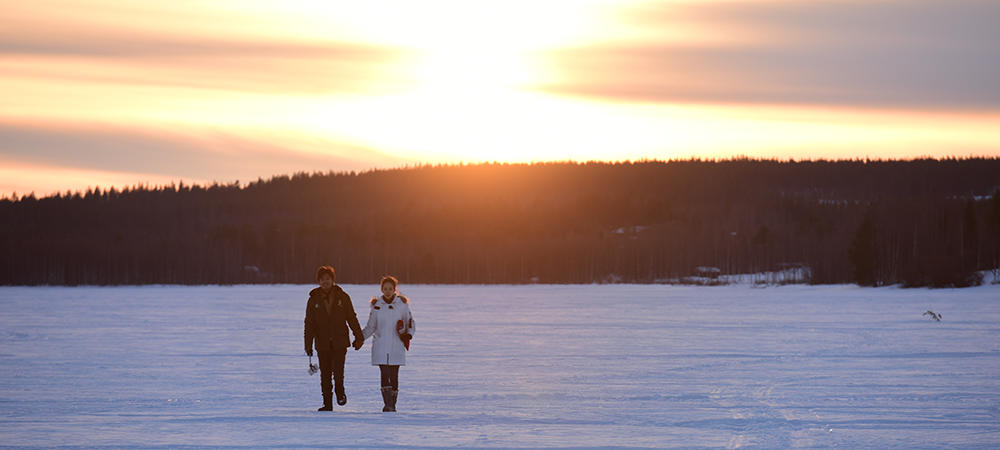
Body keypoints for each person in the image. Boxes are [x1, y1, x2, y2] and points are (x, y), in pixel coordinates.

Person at [304, 266, 364, 411]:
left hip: (340, 341)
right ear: (318, 281)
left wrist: (359, 337)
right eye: (322, 279)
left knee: (338, 372)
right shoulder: (313, 299)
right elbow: (309, 324)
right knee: (325, 375)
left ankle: (340, 392)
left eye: (328, 279)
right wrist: (308, 345)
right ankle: (327, 403)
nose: (325, 282)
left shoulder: (343, 297)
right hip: (322, 342)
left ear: (333, 280)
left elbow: (351, 317)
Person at [362, 276, 416, 412]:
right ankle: (388, 404)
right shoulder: (377, 307)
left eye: (390, 289)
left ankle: (393, 404)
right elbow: (371, 327)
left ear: (394, 290)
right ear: (381, 289)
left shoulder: (402, 306)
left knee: (394, 376)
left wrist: (408, 334)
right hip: (381, 346)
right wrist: (359, 338)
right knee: (384, 374)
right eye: (385, 289)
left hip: (396, 346)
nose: (387, 291)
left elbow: (410, 323)